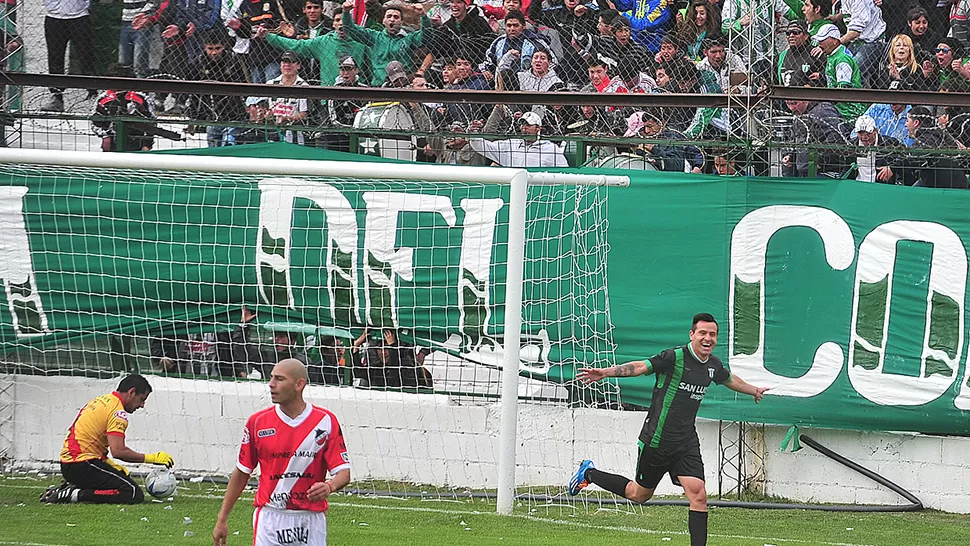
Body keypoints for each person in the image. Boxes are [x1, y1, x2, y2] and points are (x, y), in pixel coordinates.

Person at [568, 313, 768, 546]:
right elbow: (641, 367)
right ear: (692, 335)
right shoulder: (674, 357)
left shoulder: (712, 365)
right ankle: (589, 473)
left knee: (699, 494)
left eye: (712, 334)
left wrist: (753, 390)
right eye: (702, 333)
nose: (707, 338)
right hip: (656, 440)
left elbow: (729, 379)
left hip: (685, 443)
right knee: (639, 495)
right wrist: (605, 373)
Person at [212, 359, 351, 546]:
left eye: (279, 379)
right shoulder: (257, 423)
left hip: (310, 519)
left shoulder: (325, 421)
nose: (271, 384)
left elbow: (343, 472)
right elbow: (242, 471)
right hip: (270, 518)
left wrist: (329, 486)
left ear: (299, 384)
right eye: (271, 378)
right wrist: (222, 519)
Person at [41, 374, 175, 504]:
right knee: (133, 493)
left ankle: (68, 488)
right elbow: (118, 451)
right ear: (131, 392)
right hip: (82, 464)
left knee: (121, 478)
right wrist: (152, 458)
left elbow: (85, 437)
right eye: (141, 399)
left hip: (71, 463)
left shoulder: (100, 401)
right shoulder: (118, 413)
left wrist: (108, 463)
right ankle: (74, 494)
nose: (142, 405)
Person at [42, 0, 96, 112]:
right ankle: (57, 97)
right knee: (55, 57)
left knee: (86, 55)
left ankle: (93, 93)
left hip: (79, 16)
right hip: (54, 17)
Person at [468, 108, 569, 166]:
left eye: (528, 125)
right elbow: (484, 147)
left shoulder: (550, 149)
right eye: (522, 125)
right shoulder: (511, 145)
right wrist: (472, 134)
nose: (524, 128)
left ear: (538, 128)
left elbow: (563, 170)